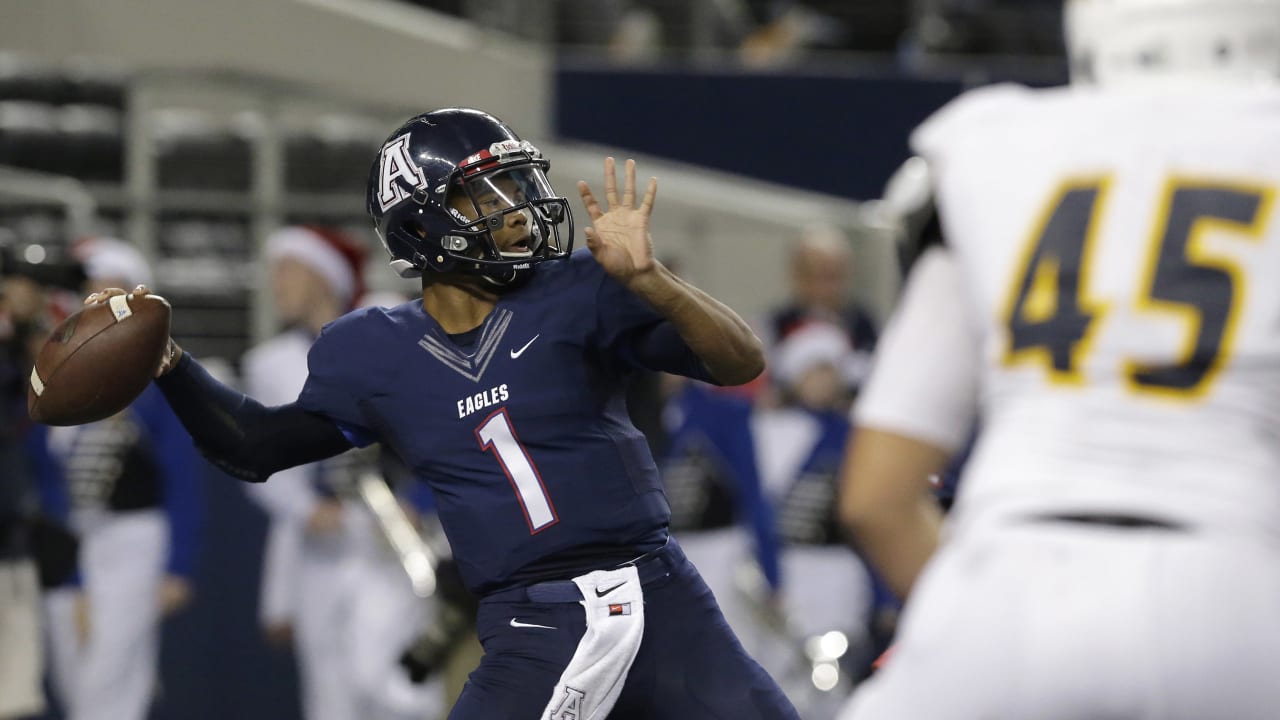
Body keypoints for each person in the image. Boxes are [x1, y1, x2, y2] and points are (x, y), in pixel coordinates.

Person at [97, 108, 798, 719]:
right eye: (486, 193)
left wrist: (655, 283)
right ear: (421, 220)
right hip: (535, 621)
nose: (519, 207)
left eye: (518, 184)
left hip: (665, 595)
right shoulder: (372, 352)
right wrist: (170, 365)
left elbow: (739, 361)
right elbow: (253, 444)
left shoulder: (579, 290)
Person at [837, 0, 1280, 718]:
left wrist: (981, 631)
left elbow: (875, 497)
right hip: (1233, 586)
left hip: (1010, 573)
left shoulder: (996, 146)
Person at [242, 229, 442, 720]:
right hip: (322, 550)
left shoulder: (390, 329)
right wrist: (305, 512)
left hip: (394, 544)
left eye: (287, 270)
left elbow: (443, 421)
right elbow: (265, 467)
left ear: (321, 275)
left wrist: (422, 502)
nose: (277, 285)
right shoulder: (268, 364)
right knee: (327, 697)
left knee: (397, 690)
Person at [30, 237, 203, 720]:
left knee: (109, 681)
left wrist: (178, 564)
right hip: (68, 544)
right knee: (73, 677)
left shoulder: (156, 378)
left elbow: (181, 475)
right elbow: (45, 476)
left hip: (131, 541)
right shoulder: (50, 375)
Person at [765, 225, 877, 393]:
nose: (825, 288)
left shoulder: (862, 323)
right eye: (815, 275)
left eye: (833, 277)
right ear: (796, 275)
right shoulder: (775, 323)